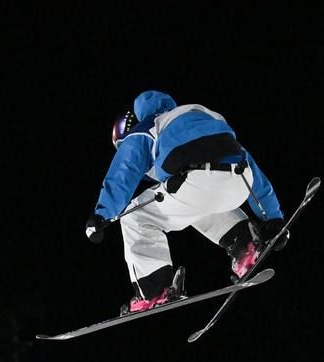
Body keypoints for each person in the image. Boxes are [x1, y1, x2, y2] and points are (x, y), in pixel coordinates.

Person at [85, 90, 287, 315]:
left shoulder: (147, 128)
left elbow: (125, 170)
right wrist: (273, 218)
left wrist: (102, 214)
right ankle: (246, 247)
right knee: (199, 202)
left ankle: (154, 291)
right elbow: (253, 170)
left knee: (135, 216)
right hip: (238, 181)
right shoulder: (198, 114)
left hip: (195, 180)